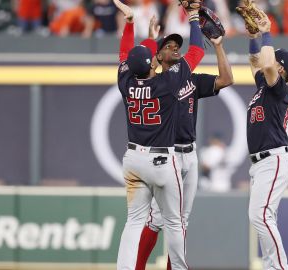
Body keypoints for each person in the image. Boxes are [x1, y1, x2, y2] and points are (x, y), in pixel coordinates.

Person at [134, 12, 234, 270]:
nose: (175, 50)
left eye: (177, 46)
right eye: (169, 47)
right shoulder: (159, 82)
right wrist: (190, 20)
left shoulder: (189, 79)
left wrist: (220, 47)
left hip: (190, 153)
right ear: (157, 57)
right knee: (158, 218)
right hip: (167, 155)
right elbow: (195, 51)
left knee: (182, 221)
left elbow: (227, 80)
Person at [112, 0, 205, 268]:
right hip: (162, 162)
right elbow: (196, 51)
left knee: (134, 222)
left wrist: (131, 24)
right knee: (175, 221)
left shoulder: (125, 81)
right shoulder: (167, 83)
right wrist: (195, 17)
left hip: (132, 159)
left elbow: (126, 56)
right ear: (152, 63)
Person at [244, 9, 288, 270]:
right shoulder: (266, 86)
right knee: (262, 217)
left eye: (274, 58)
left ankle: (279, 268)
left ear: (281, 67)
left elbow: (265, 64)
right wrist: (254, 36)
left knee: (261, 216)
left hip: (273, 158)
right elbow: (256, 61)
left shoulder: (278, 87)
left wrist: (266, 32)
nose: (269, 58)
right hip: (263, 161)